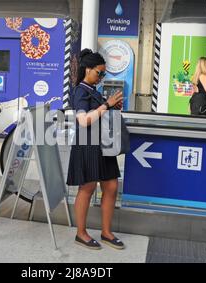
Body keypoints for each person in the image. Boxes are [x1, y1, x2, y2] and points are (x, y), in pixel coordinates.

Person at [67, 49, 125, 250]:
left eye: (104, 74)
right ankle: (81, 233)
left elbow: (99, 114)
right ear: (88, 70)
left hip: (103, 145)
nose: (101, 77)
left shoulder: (93, 89)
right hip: (87, 145)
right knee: (87, 188)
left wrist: (111, 107)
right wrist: (106, 105)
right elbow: (83, 120)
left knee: (111, 187)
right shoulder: (80, 91)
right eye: (99, 73)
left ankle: (106, 232)